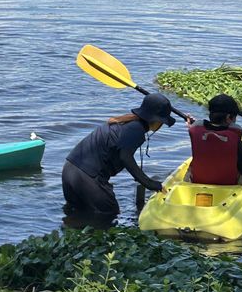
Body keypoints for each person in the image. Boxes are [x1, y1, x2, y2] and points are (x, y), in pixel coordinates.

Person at [62, 92, 176, 221]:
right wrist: (150, 184)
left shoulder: (126, 123)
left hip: (69, 170)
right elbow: (125, 157)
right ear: (156, 120)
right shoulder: (136, 130)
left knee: (76, 214)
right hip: (86, 176)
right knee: (109, 214)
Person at [187, 93, 242, 185]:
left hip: (197, 182)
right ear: (228, 117)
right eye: (235, 117)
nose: (235, 121)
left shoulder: (195, 130)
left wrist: (193, 126)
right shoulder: (234, 137)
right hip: (228, 185)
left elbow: (208, 136)